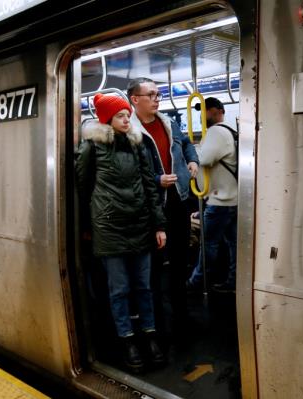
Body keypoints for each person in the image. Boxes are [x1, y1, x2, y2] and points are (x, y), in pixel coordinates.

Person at [75, 93, 167, 372]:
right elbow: (82, 185)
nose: (127, 119)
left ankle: (149, 335)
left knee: (144, 286)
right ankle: (127, 340)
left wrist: (159, 224)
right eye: (120, 116)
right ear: (107, 120)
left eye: (128, 114)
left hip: (139, 224)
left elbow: (150, 187)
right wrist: (88, 227)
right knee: (119, 290)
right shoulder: (92, 146)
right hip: (109, 227)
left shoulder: (137, 144)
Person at [127, 78, 199, 329]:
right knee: (155, 266)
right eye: (152, 95)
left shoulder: (168, 123)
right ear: (135, 100)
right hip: (152, 206)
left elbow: (187, 144)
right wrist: (157, 179)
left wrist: (192, 160)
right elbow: (128, 172)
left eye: (158, 94)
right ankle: (156, 318)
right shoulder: (130, 132)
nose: (157, 99)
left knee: (180, 259)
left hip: (178, 200)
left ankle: (182, 314)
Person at [187, 97, 237, 293]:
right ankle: (233, 282)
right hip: (232, 199)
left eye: (205, 111)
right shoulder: (232, 130)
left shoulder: (216, 132)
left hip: (220, 201)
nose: (202, 115)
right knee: (233, 245)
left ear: (217, 110)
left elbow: (204, 159)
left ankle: (197, 282)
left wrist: (192, 152)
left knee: (208, 244)